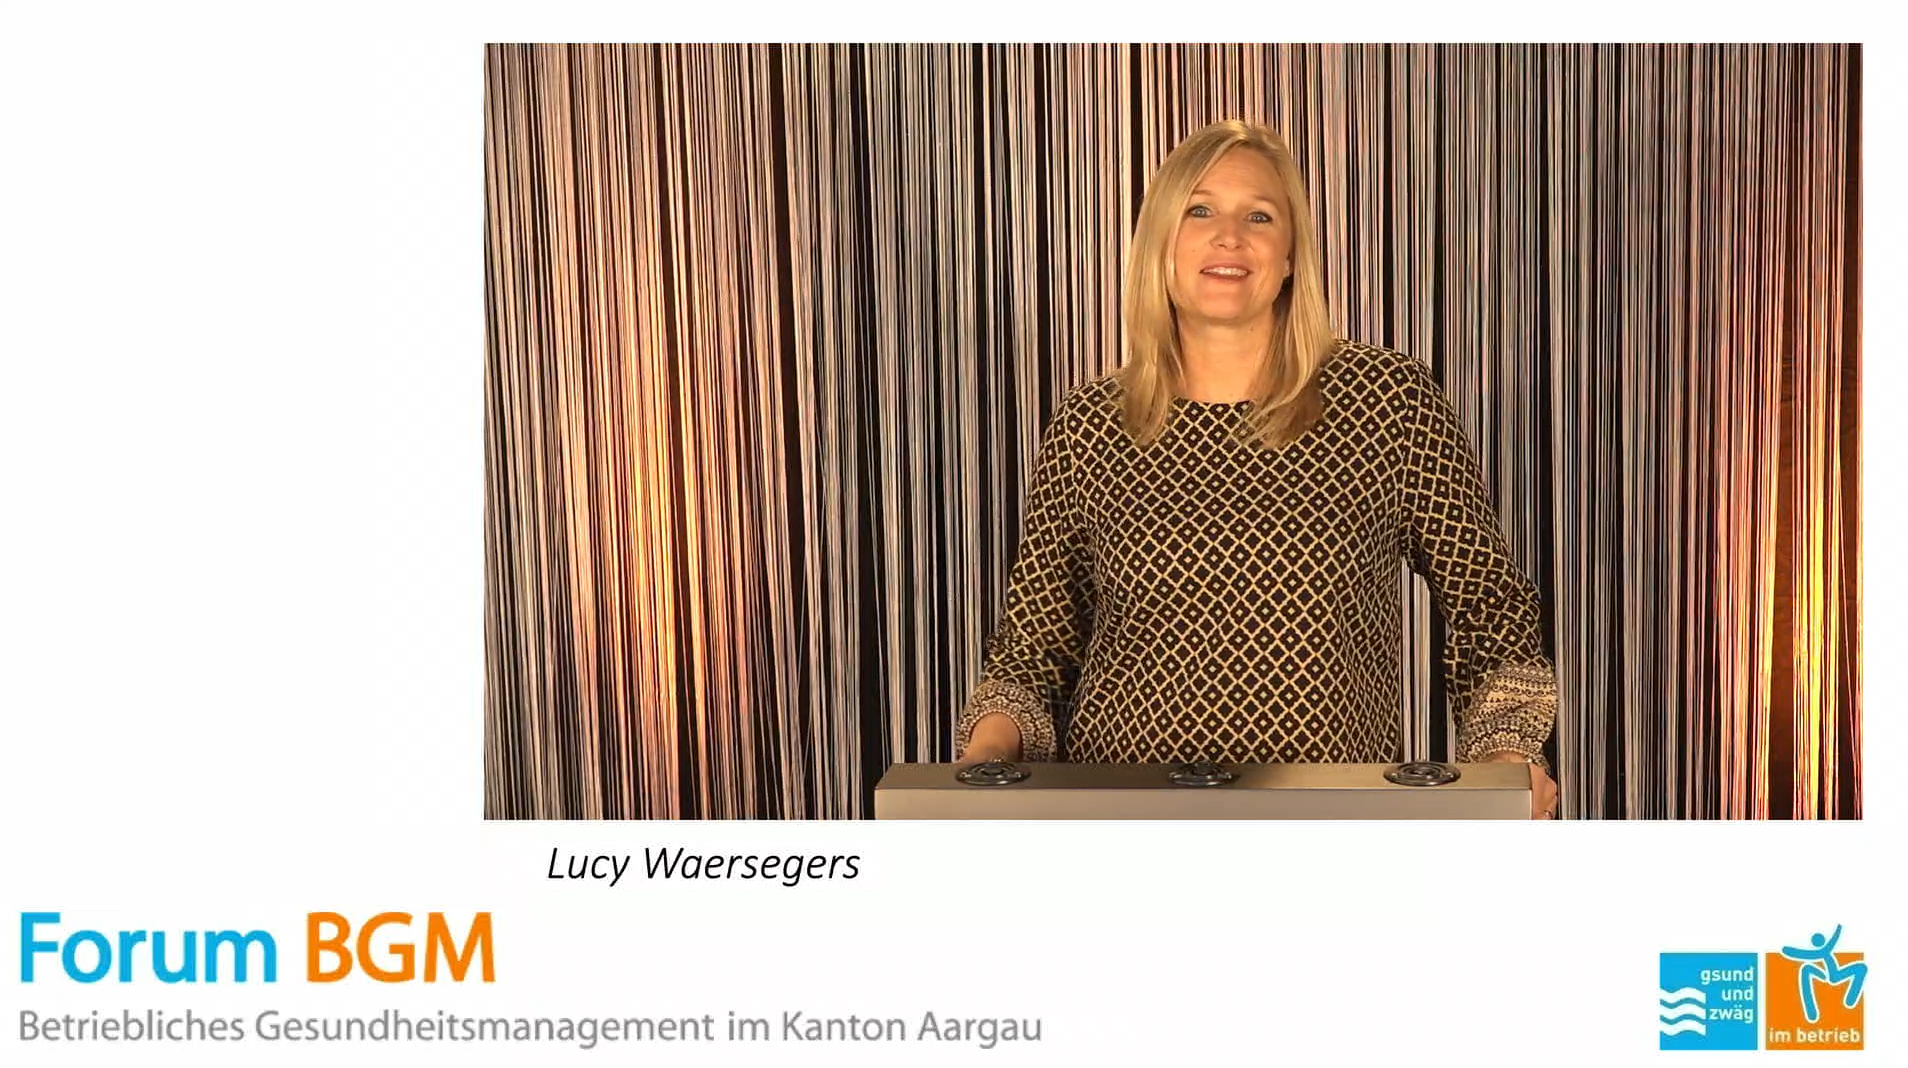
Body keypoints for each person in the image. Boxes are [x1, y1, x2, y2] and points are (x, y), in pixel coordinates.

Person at [955, 119, 1561, 819]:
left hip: (1331, 825)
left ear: (1291, 254)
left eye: (1260, 216)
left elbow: (1488, 603)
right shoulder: (1091, 422)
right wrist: (978, 769)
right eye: (1200, 210)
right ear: (1160, 245)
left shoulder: (1385, 399)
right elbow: (1034, 648)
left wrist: (1506, 754)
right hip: (1124, 822)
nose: (1229, 237)